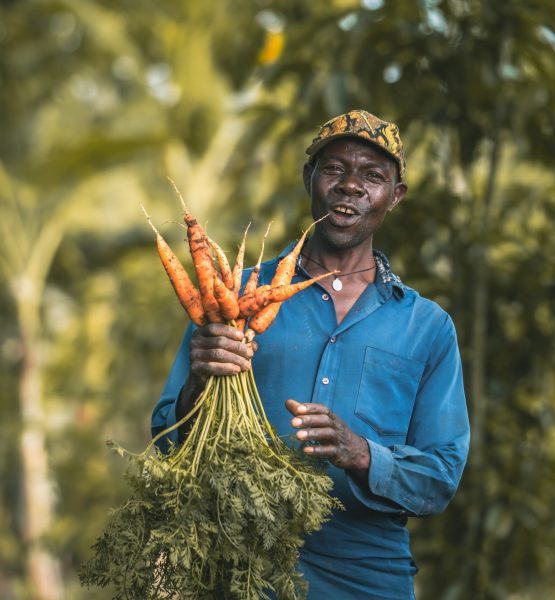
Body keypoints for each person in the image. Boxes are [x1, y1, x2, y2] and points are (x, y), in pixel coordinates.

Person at [152, 109, 470, 599]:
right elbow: (169, 439)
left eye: (373, 175)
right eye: (335, 168)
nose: (351, 186)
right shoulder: (234, 298)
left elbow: (441, 474)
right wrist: (199, 379)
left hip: (366, 578)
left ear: (395, 196)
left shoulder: (426, 327)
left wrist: (361, 453)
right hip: (241, 567)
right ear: (311, 179)